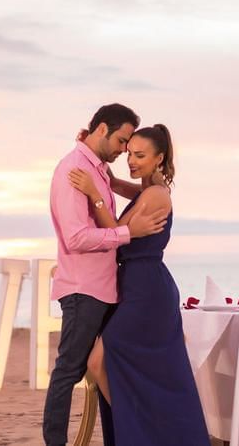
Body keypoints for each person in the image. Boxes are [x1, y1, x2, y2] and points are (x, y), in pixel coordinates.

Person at [68, 124, 210, 445]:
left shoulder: (157, 195)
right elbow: (116, 183)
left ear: (159, 158)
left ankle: (144, 431)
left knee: (98, 360)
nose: (131, 160)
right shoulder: (148, 189)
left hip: (147, 292)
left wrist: (94, 194)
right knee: (132, 368)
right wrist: (91, 151)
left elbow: (114, 235)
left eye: (140, 155)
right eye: (129, 153)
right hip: (134, 285)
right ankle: (146, 430)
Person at [43, 104, 170, 446]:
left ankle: (128, 435)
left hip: (107, 288)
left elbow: (136, 193)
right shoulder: (74, 170)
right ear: (101, 129)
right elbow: (77, 237)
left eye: (131, 147)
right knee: (69, 370)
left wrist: (108, 188)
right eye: (121, 141)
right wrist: (129, 233)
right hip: (85, 289)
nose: (123, 150)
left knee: (111, 365)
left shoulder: (96, 168)